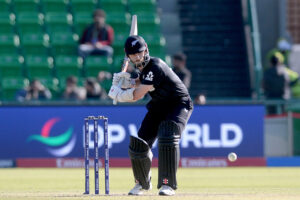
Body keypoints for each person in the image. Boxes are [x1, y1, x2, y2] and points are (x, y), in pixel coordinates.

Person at [108, 35, 193, 196]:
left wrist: (119, 94)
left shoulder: (156, 65)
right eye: (134, 54)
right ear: (129, 55)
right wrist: (127, 82)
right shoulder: (144, 69)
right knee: (139, 144)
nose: (138, 56)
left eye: (140, 52)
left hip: (178, 104)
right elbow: (140, 82)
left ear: (146, 48)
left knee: (168, 135)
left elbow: (137, 95)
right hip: (159, 105)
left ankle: (167, 185)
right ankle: (142, 182)